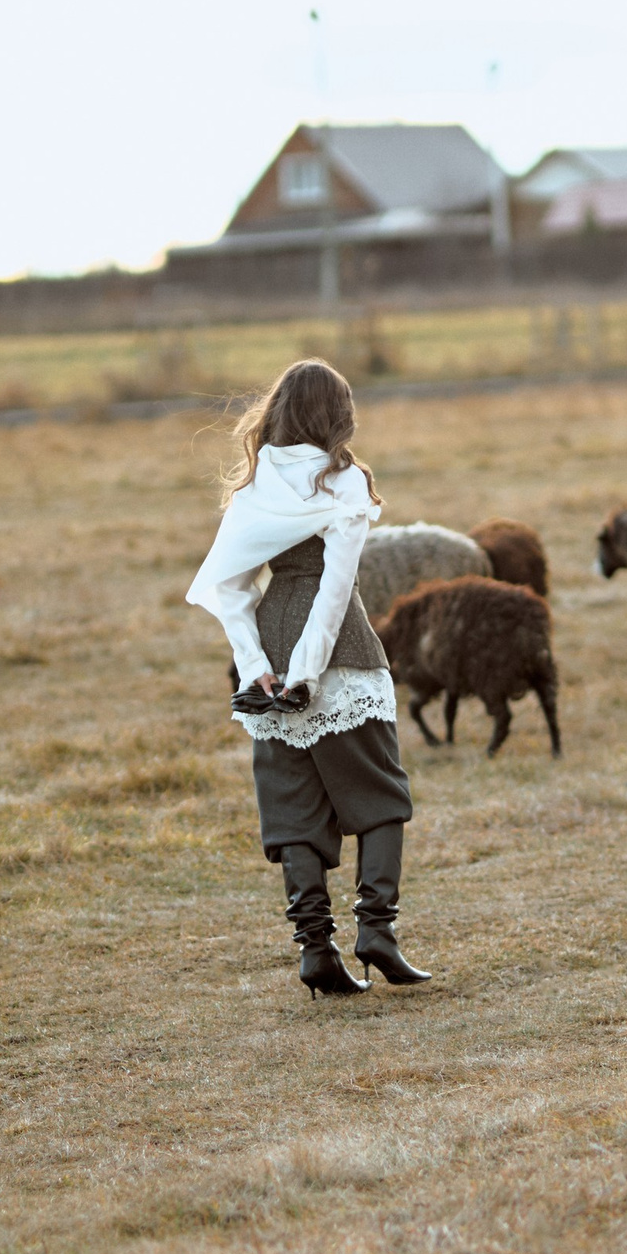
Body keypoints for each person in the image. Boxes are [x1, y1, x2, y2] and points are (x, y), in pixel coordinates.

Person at [185, 359, 428, 998]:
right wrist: (306, 673)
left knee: (293, 805)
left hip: (268, 643)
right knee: (379, 795)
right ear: (335, 414)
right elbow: (334, 585)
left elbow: (231, 588)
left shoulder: (255, 484)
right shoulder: (342, 480)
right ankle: (376, 932)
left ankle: (315, 951)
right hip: (336, 646)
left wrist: (258, 667)